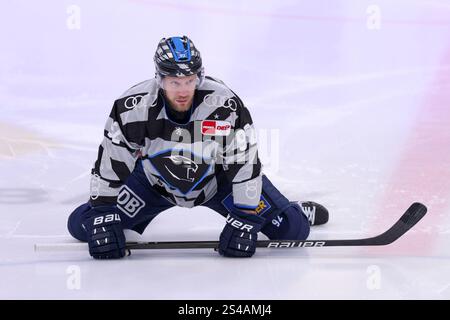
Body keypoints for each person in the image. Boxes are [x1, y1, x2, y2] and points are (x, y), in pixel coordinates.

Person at [67, 35, 329, 259]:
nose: (183, 90)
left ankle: (294, 207)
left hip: (217, 183)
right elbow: (111, 160)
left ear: (198, 77)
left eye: (189, 80)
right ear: (159, 79)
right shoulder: (133, 107)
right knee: (82, 227)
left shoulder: (223, 104)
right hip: (153, 184)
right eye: (174, 82)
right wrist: (102, 212)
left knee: (293, 229)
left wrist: (246, 217)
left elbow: (245, 163)